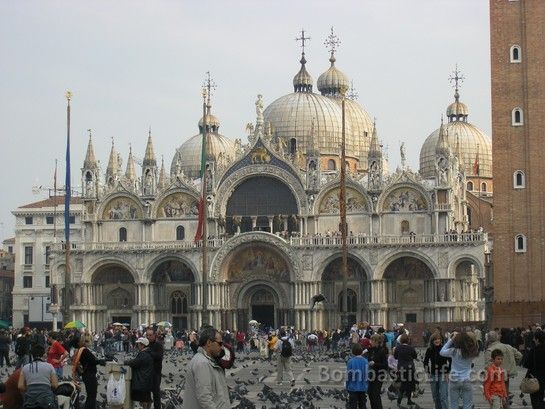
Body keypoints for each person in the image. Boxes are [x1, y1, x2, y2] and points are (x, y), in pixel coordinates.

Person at [184, 326, 230, 409]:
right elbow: (204, 398)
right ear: (209, 343)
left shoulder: (207, 361)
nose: (222, 347)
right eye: (220, 343)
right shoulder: (202, 363)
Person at [440, 331, 479, 409]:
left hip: (454, 379)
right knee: (467, 405)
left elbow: (442, 352)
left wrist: (451, 339)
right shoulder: (471, 352)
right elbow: (476, 345)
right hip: (467, 379)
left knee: (454, 404)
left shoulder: (454, 351)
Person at [484, 330, 522, 407]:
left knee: (496, 397)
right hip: (507, 374)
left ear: (488, 339)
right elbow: (519, 356)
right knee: (505, 394)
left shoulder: (490, 350)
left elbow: (488, 366)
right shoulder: (508, 346)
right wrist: (513, 364)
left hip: (495, 378)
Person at [18, 343, 59, 409]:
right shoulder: (49, 366)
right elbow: (55, 385)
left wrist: (28, 391)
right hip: (46, 399)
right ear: (44, 354)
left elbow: (20, 386)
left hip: (30, 400)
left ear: (32, 355)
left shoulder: (25, 367)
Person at [71, 334, 107, 409]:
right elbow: (92, 361)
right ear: (78, 343)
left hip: (86, 374)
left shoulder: (79, 350)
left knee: (90, 395)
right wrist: (100, 361)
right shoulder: (83, 350)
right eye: (81, 340)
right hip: (89, 375)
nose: (83, 340)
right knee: (92, 396)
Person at [124, 337, 154, 409]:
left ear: (142, 345)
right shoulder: (149, 353)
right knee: (147, 397)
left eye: (138, 344)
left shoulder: (143, 354)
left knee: (144, 398)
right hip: (147, 378)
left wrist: (126, 362)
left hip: (142, 379)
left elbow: (135, 362)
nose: (137, 346)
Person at [424, 332, 451, 409]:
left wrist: (448, 372)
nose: (437, 341)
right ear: (432, 341)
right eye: (435, 339)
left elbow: (450, 361)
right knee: (435, 396)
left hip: (443, 374)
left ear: (441, 340)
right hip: (433, 374)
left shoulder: (444, 349)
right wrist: (428, 371)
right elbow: (425, 361)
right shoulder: (429, 349)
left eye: (438, 339)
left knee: (443, 396)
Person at [523, 329, 545, 409]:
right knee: (542, 398)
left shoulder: (534, 350)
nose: (533, 340)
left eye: (534, 338)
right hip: (544, 378)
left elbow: (527, 364)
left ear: (537, 339)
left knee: (535, 400)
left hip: (535, 378)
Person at [394, 333, 417, 407]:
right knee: (410, 384)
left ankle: (399, 401)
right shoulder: (411, 348)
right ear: (408, 340)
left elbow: (395, 357)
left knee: (403, 384)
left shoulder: (397, 348)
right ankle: (409, 400)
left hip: (401, 368)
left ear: (400, 340)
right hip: (410, 368)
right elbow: (414, 356)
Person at [367, 333, 388, 409]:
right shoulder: (371, 350)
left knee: (376, 394)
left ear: (375, 341)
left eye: (371, 340)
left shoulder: (382, 351)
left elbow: (385, 365)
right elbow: (369, 358)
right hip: (371, 375)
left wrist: (375, 364)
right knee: (370, 393)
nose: (370, 342)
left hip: (379, 375)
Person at [346, 342, 369, 409]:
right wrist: (366, 385)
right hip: (363, 387)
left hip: (352, 387)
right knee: (362, 405)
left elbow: (348, 376)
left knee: (353, 405)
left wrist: (347, 386)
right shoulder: (365, 361)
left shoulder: (350, 361)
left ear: (353, 351)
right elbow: (367, 375)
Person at [145, 328, 164, 409]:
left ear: (154, 335)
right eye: (147, 335)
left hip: (156, 372)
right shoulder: (145, 345)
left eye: (150, 335)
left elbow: (159, 356)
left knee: (156, 393)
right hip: (146, 373)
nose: (148, 337)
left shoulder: (159, 345)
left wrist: (148, 352)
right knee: (146, 394)